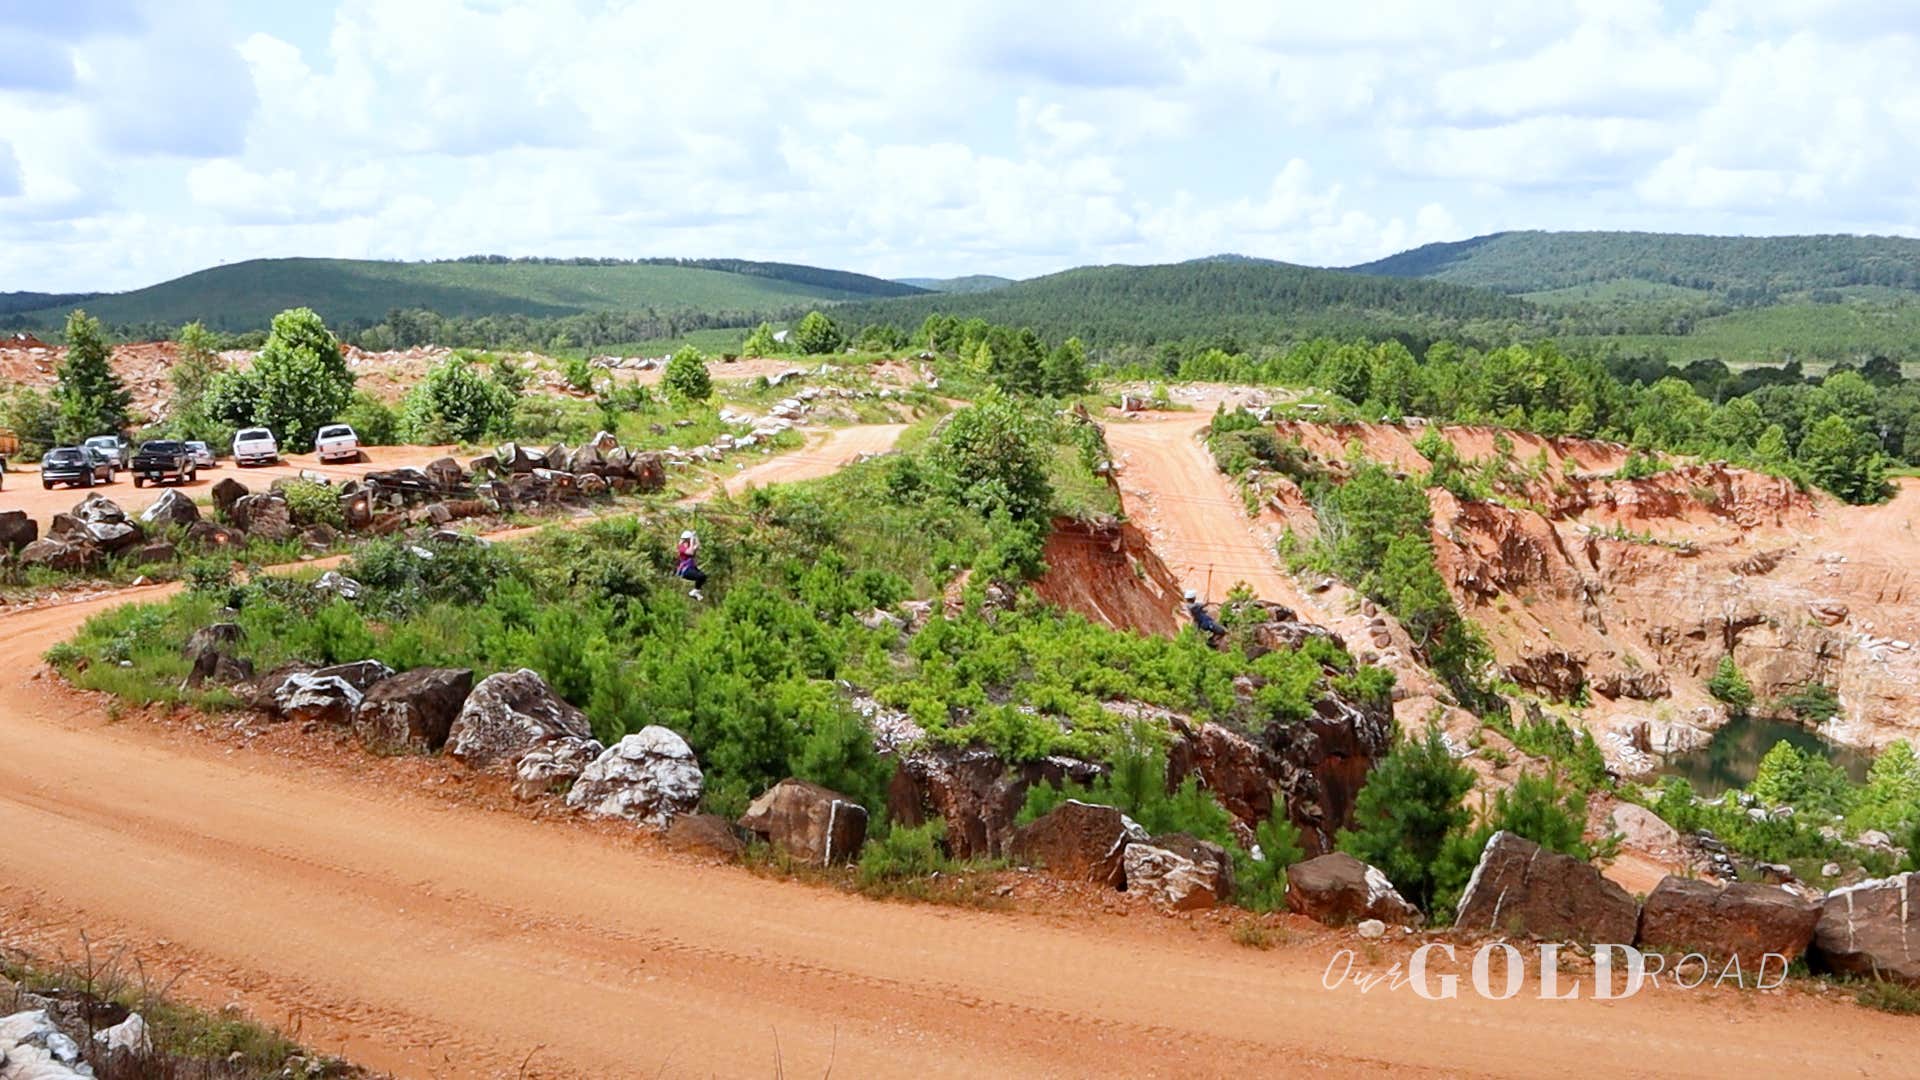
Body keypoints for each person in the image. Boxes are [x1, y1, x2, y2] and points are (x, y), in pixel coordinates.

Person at [676, 529, 707, 599]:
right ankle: (694, 592)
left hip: (691, 568)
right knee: (700, 576)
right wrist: (692, 540)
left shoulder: (690, 545)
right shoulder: (681, 547)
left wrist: (695, 537)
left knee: (703, 576)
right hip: (685, 570)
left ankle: (695, 592)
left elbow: (698, 546)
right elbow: (691, 552)